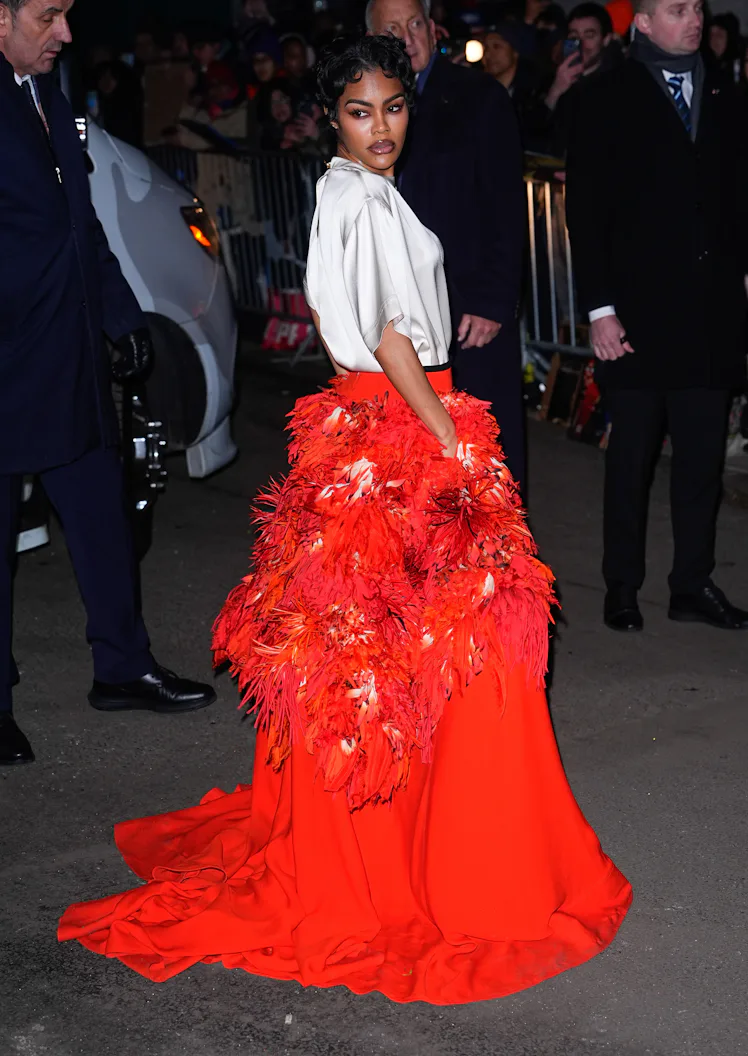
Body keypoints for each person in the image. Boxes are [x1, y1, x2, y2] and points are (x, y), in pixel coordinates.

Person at [59, 33, 631, 1004]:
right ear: (333, 115)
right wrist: (448, 431)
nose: (381, 129)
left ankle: (434, 836)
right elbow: (389, 336)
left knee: (411, 659)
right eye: (361, 111)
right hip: (403, 427)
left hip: (381, 425)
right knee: (440, 656)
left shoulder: (355, 191)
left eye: (394, 108)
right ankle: (454, 858)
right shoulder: (354, 197)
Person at [0, 0, 216, 766]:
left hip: (69, 357)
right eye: (49, 16)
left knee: (101, 517)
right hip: (9, 362)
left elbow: (80, 226)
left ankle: (123, 668)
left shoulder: (43, 94)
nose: (65, 33)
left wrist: (122, 321)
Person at [566, 0, 748, 632]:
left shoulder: (726, 89)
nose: (693, 19)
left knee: (701, 460)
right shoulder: (605, 96)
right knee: (631, 461)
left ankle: (692, 584)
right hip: (636, 316)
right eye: (677, 10)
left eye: (697, 7)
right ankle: (622, 585)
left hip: (711, 314)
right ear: (642, 22)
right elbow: (585, 213)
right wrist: (599, 308)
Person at [366, 0, 529, 491]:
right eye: (393, 29)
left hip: (468, 313)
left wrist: (492, 302)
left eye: (415, 24)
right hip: (395, 321)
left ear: (432, 27)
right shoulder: (362, 107)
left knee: (486, 463)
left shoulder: (479, 98)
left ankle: (500, 564)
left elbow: (505, 208)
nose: (408, 37)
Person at [543, 2, 621, 156]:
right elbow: (534, 132)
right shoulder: (552, 75)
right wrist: (556, 90)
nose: (581, 44)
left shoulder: (619, 83)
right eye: (574, 36)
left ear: (605, 39)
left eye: (589, 35)